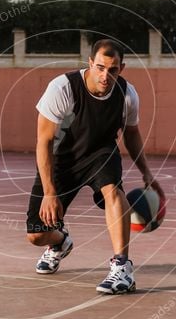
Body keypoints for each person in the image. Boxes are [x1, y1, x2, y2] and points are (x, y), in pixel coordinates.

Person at [26, 38, 164, 294]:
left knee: (113, 191)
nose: (105, 75)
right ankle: (60, 242)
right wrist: (49, 192)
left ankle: (122, 268)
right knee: (36, 235)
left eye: (112, 70)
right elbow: (43, 141)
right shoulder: (63, 88)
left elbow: (131, 134)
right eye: (100, 67)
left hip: (101, 152)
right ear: (90, 63)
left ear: (121, 68)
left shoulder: (127, 94)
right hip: (61, 159)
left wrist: (146, 171)